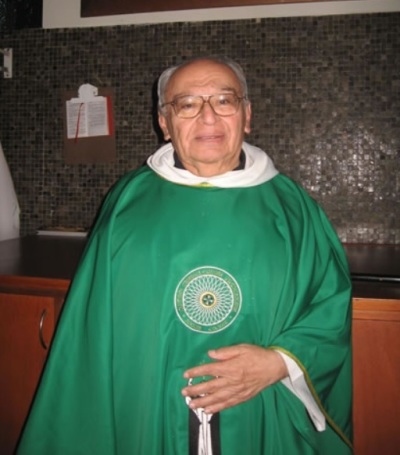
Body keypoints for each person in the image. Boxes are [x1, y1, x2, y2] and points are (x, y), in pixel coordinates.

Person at [17, 57, 352, 455]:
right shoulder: (128, 202)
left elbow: (329, 305)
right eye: (188, 103)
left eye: (224, 101)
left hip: (262, 408)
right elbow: (91, 328)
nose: (208, 117)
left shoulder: (293, 208)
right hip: (144, 406)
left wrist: (280, 364)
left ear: (246, 115)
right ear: (164, 122)